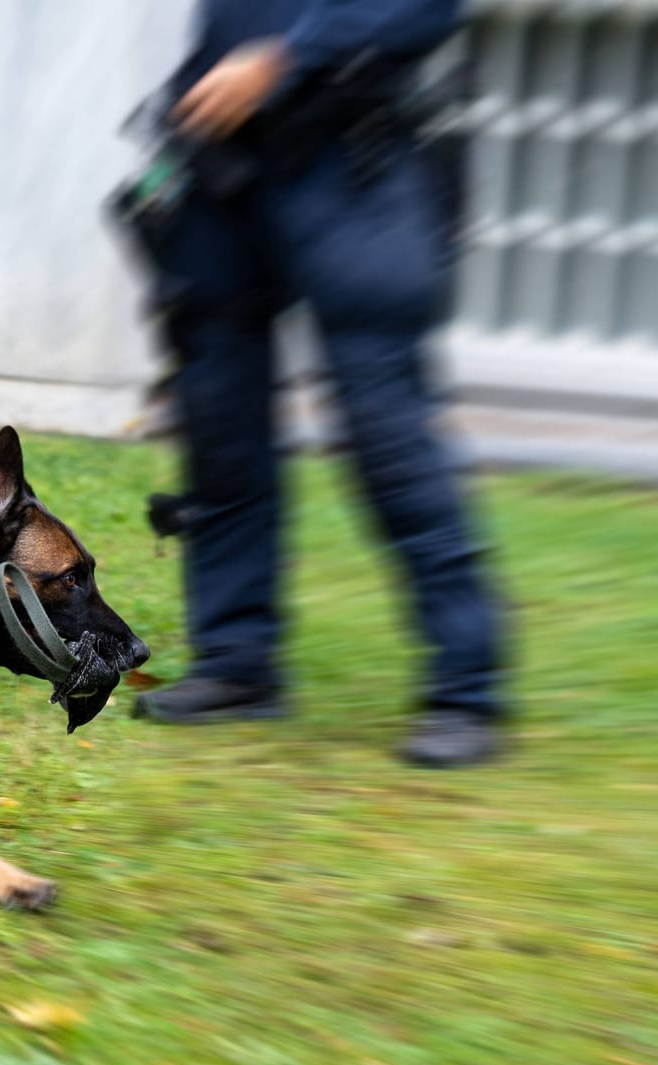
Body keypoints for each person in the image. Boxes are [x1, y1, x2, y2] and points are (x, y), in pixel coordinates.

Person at [119, 0, 506, 767]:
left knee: (388, 435)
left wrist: (283, 57)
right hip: (222, 172)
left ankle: (467, 689)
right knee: (220, 427)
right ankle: (237, 662)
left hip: (349, 166)